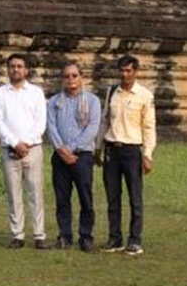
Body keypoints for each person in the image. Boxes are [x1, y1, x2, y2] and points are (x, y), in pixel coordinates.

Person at [97, 53, 156, 256]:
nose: (125, 75)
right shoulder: (112, 91)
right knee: (112, 197)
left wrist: (147, 154)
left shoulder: (145, 96)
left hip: (132, 150)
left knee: (135, 198)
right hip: (112, 148)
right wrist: (98, 148)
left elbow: (149, 127)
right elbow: (105, 121)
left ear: (136, 72)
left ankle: (135, 240)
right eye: (122, 70)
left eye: (128, 70)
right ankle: (115, 238)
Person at [0, 53, 48, 250]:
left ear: (26, 70)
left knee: (35, 192)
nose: (16, 69)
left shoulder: (36, 92)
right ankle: (18, 234)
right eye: (12, 66)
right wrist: (15, 143)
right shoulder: (0, 94)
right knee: (13, 194)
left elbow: (41, 122)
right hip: (9, 150)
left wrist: (26, 144)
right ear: (8, 69)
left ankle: (39, 235)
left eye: (19, 66)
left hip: (33, 149)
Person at [46, 61, 102, 251]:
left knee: (85, 198)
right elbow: (51, 127)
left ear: (81, 77)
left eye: (74, 75)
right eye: (67, 76)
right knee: (62, 198)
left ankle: (86, 236)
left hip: (83, 156)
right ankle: (64, 236)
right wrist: (62, 150)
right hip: (60, 157)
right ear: (62, 80)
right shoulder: (54, 102)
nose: (71, 79)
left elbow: (92, 129)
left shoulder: (93, 101)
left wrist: (70, 148)